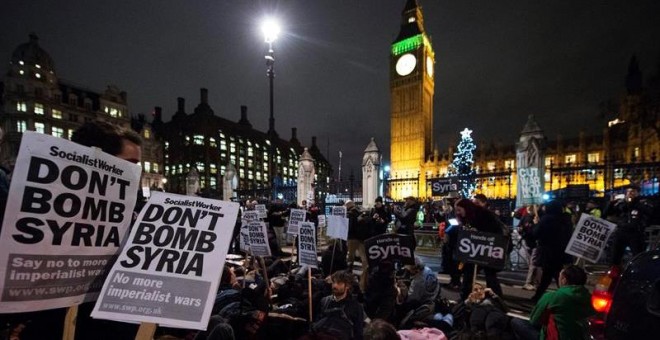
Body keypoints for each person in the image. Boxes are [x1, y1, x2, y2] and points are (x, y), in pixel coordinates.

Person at [511, 265, 595, 340]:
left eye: (560, 277)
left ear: (564, 280)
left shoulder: (552, 296)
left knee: (516, 322)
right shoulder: (591, 299)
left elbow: (534, 320)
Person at [454, 198, 506, 300]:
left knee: (490, 275)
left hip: (488, 248)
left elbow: (494, 232)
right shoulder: (466, 217)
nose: (458, 213)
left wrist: (477, 233)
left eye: (459, 210)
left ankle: (496, 298)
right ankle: (465, 296)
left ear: (466, 208)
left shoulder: (483, 215)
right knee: (468, 273)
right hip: (474, 249)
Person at [531, 201, 573, 302]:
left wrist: (536, 224)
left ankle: (567, 297)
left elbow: (536, 233)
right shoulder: (566, 219)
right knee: (549, 275)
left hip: (548, 251)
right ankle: (538, 296)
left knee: (553, 274)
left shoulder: (547, 219)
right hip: (561, 252)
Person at [604, 185, 654, 266]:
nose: (630, 194)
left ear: (637, 193)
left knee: (638, 257)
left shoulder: (643, 203)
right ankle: (614, 275)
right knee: (614, 257)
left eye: (633, 192)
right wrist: (611, 203)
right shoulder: (621, 204)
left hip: (636, 233)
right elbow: (607, 213)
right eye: (628, 192)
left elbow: (650, 213)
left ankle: (637, 274)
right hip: (621, 232)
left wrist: (634, 203)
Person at [314, 271, 365, 340]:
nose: (335, 286)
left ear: (347, 286)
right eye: (334, 282)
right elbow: (317, 322)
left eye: (339, 283)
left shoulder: (356, 307)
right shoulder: (324, 301)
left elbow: (358, 333)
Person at [346, 200, 369, 291]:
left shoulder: (350, 214)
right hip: (361, 238)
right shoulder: (360, 212)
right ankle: (365, 271)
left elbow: (350, 226)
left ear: (348, 206)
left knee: (350, 255)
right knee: (364, 257)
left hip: (352, 238)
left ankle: (349, 270)